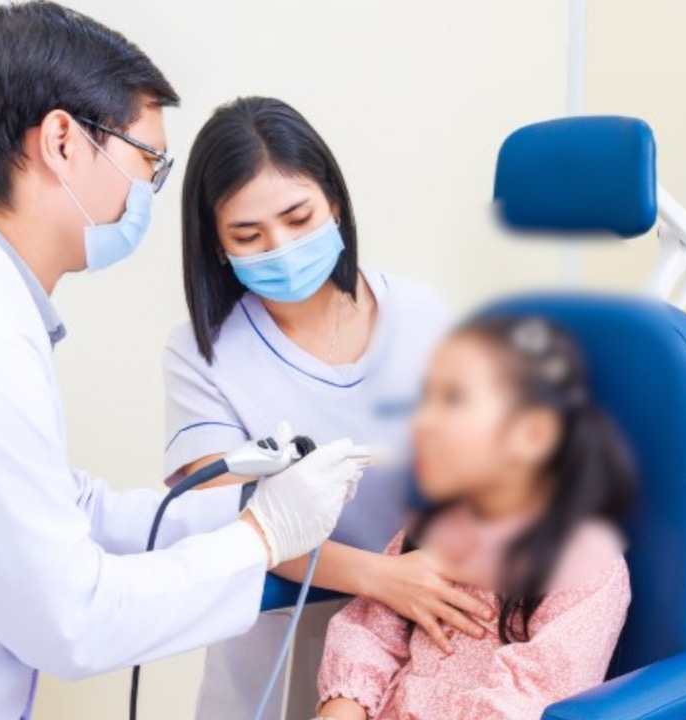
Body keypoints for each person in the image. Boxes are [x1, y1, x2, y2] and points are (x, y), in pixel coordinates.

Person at [0, 4, 360, 718]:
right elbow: (76, 621)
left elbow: (62, 508)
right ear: (63, 141)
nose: (148, 190)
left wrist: (240, 508)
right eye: (147, 159)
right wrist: (263, 534)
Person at [163, 97, 488, 719]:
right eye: (248, 235)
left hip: (421, 644)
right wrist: (382, 577)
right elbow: (227, 522)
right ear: (217, 245)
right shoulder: (201, 353)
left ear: (334, 201)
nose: (280, 247)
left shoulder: (420, 316)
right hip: (274, 645)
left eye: (298, 217)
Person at [313, 315, 635, 719]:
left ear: (532, 434)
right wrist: (343, 707)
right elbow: (370, 632)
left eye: (453, 400)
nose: (423, 421)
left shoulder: (584, 566)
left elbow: (535, 697)